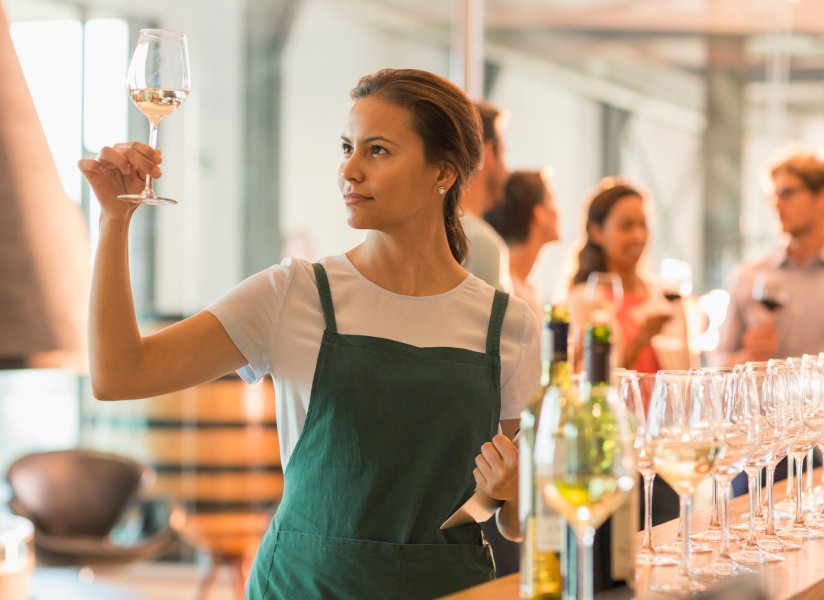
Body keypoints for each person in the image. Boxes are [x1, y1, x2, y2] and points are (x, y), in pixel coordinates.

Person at [80, 68, 540, 599]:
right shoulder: (292, 293)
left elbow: (516, 520)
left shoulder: (509, 325)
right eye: (348, 147)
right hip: (303, 587)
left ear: (444, 171)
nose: (349, 169)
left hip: (450, 590)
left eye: (378, 151)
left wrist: (514, 491)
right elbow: (119, 374)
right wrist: (114, 223)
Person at [714, 148, 824, 366]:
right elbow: (717, 362)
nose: (776, 205)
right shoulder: (747, 277)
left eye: (787, 193)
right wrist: (749, 358)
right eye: (773, 196)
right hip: (765, 401)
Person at [567, 177, 692, 373]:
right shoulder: (583, 301)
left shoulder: (667, 298)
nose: (638, 236)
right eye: (626, 226)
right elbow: (581, 380)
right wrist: (638, 343)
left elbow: (689, 374)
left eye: (643, 225)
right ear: (597, 232)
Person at [484, 169, 559, 324]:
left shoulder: (527, 288)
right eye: (551, 201)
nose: (557, 212)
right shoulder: (511, 292)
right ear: (539, 214)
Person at [460, 102, 513, 292]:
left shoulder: (439, 229)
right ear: (488, 152)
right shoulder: (479, 241)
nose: (507, 170)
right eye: (504, 153)